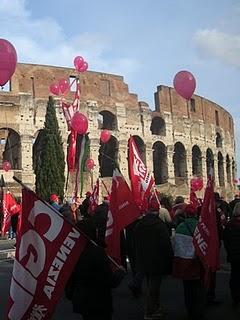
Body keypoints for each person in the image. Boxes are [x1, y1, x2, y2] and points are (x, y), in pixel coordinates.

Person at [66, 219, 125, 320]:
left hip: (82, 300)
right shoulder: (97, 252)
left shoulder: (72, 253)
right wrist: (120, 273)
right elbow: (110, 281)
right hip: (99, 301)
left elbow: (70, 278)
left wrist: (71, 293)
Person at [134, 197, 173, 320]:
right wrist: (170, 260)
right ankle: (150, 311)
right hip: (157, 260)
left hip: (143, 259)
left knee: (150, 285)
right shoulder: (159, 225)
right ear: (157, 211)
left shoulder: (139, 224)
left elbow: (135, 241)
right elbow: (166, 244)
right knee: (154, 287)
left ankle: (155, 307)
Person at [173, 204, 206, 320]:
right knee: (198, 288)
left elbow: (176, 246)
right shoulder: (201, 226)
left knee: (187, 289)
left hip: (185, 264)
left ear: (185, 214)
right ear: (196, 214)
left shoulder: (180, 227)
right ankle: (199, 310)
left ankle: (190, 310)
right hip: (198, 263)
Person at [223, 202, 240, 307]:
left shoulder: (230, 224)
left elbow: (226, 240)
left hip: (234, 255)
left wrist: (229, 251)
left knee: (235, 276)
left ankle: (235, 297)